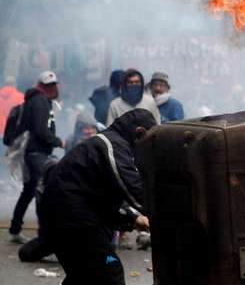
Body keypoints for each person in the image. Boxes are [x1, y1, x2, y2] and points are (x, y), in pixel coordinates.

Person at [39, 109, 155, 285]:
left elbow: (103, 197)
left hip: (66, 218)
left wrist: (133, 219)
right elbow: (131, 187)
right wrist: (162, 212)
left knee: (83, 275)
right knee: (110, 270)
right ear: (139, 132)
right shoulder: (112, 144)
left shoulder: (110, 143)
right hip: (74, 221)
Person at [8, 70, 64, 244]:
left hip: (33, 152)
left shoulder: (36, 100)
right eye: (49, 85)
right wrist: (58, 141)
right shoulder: (40, 101)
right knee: (43, 191)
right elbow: (41, 130)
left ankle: (15, 229)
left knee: (30, 191)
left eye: (54, 85)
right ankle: (44, 235)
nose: (52, 88)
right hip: (36, 153)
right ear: (42, 86)